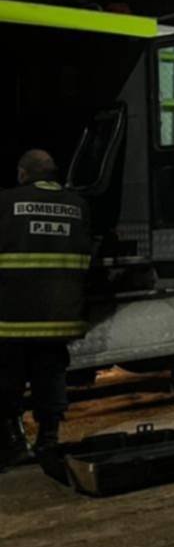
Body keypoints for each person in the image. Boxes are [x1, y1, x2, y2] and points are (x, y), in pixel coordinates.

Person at [0, 149, 92, 468]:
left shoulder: (6, 202)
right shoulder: (78, 206)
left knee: (9, 380)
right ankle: (48, 440)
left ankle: (14, 441)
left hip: (12, 316)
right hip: (59, 314)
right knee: (51, 375)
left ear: (24, 173)